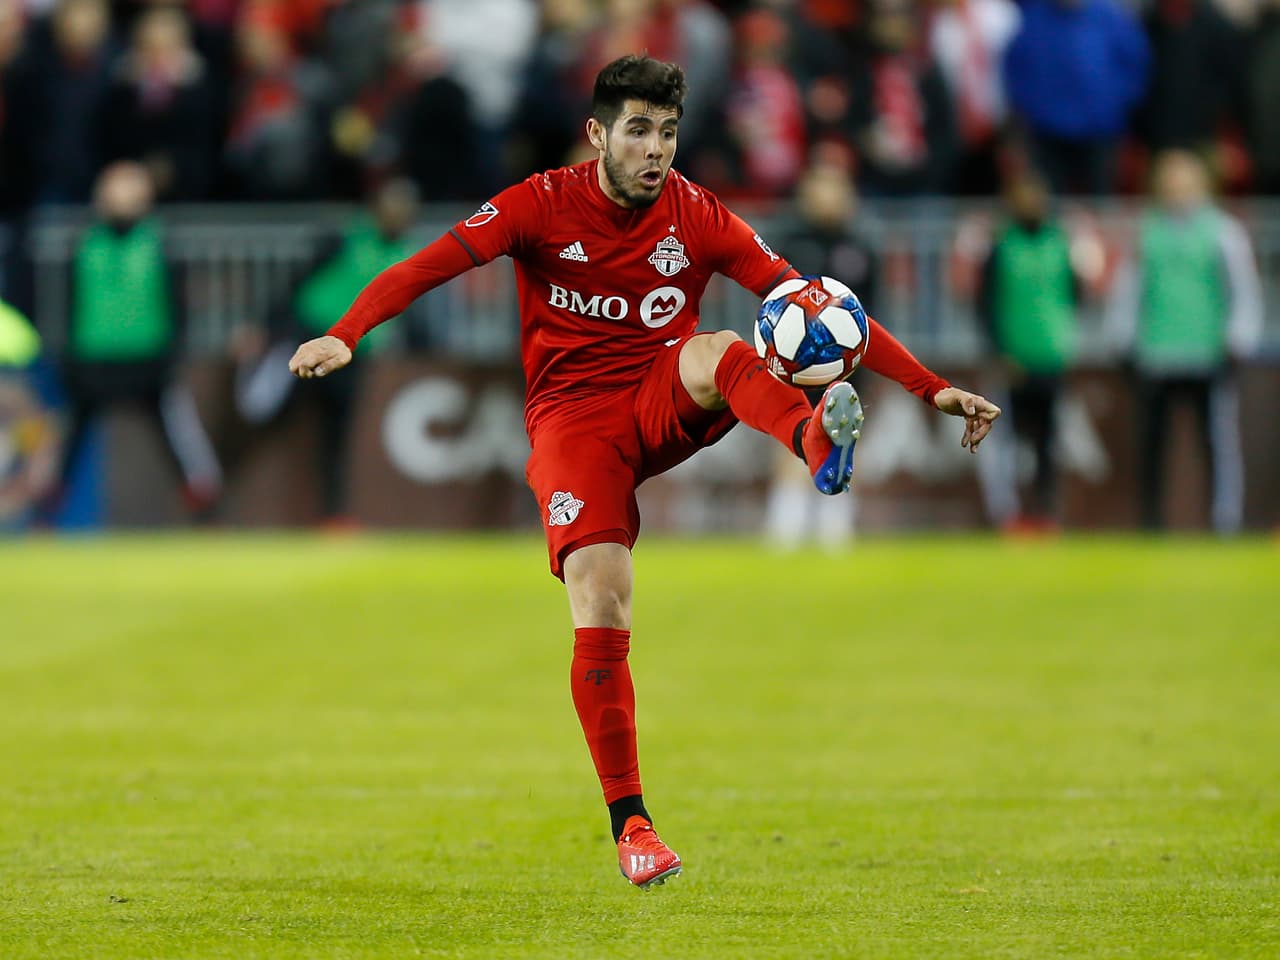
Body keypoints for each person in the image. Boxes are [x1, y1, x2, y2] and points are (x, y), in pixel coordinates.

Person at [288, 55, 1001, 889]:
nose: (655, 149)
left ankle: (815, 445)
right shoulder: (538, 203)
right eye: (637, 131)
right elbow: (428, 265)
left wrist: (932, 387)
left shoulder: (697, 214)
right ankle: (633, 826)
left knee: (719, 347)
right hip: (573, 424)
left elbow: (818, 308)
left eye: (667, 132)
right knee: (602, 596)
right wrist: (347, 331)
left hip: (662, 396)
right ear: (598, 134)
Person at [233, 179, 423, 524]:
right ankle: (224, 494)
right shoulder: (344, 238)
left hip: (352, 355)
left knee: (338, 435)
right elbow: (297, 281)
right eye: (392, 206)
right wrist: (267, 327)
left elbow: (410, 310)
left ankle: (335, 516)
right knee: (261, 413)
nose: (398, 214)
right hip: (306, 339)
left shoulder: (408, 254)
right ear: (375, 208)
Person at [42, 162, 222, 523]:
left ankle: (205, 508)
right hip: (93, 358)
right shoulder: (86, 243)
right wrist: (68, 355)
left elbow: (176, 303)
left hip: (148, 358)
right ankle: (44, 514)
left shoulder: (159, 242)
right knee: (69, 442)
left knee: (180, 437)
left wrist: (173, 353)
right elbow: (70, 303)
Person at [1107, 149, 1262, 534]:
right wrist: (1122, 336)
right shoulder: (1148, 232)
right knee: (1153, 444)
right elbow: (1129, 288)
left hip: (1207, 352)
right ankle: (1151, 522)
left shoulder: (1223, 232)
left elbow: (1242, 289)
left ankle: (1224, 521)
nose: (1177, 191)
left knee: (1217, 443)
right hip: (1157, 352)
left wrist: (1238, 337)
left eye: (1184, 183)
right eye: (1170, 183)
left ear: (1202, 186)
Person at [976, 171, 1080, 530]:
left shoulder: (1060, 243)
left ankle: (1045, 512)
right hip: (1012, 358)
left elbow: (1075, 295)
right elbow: (985, 303)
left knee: (1048, 441)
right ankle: (1007, 514)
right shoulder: (1001, 246)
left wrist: (1065, 340)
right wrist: (998, 350)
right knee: (1005, 441)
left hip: (1051, 356)